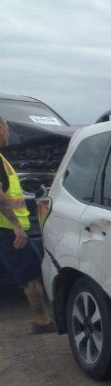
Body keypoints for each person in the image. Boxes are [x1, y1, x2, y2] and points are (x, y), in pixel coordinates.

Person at [0, 115, 54, 333]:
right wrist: (16, 225)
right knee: (30, 272)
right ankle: (42, 321)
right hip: (7, 228)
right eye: (6, 127)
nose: (9, 132)